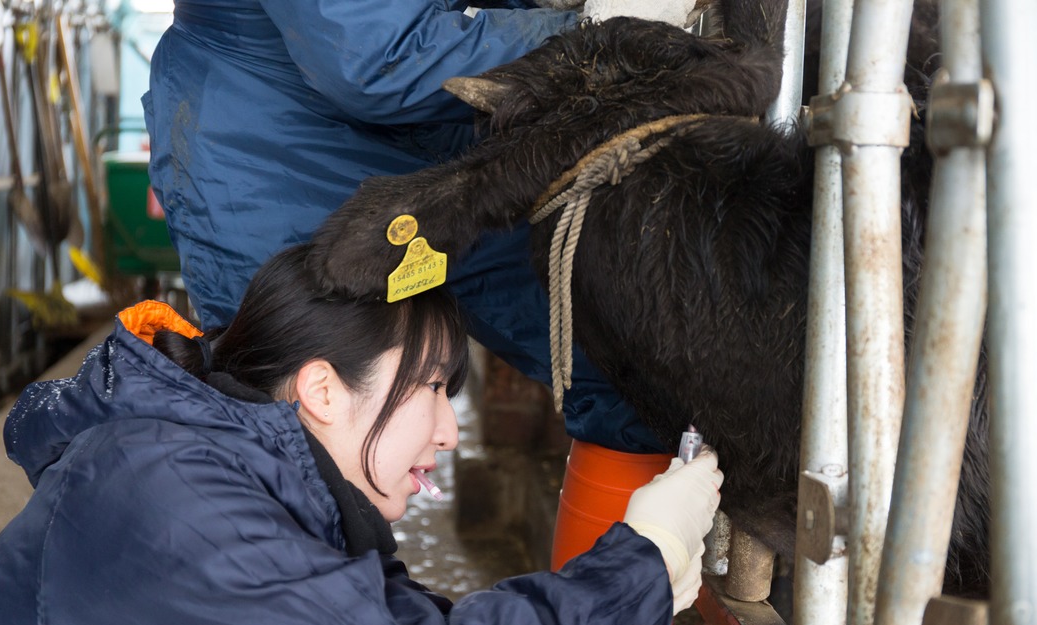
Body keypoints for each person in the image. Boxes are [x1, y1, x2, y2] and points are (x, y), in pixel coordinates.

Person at [0, 242, 731, 625]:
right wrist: (646, 561)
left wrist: (638, 584)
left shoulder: (230, 476)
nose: (447, 431)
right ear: (322, 389)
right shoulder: (165, 494)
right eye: (432, 388)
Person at [141, 0, 666, 454]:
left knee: (626, 364)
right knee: (299, 434)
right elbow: (374, 55)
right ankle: (296, 567)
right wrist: (604, 32)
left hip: (426, 130)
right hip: (270, 152)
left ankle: (650, 554)